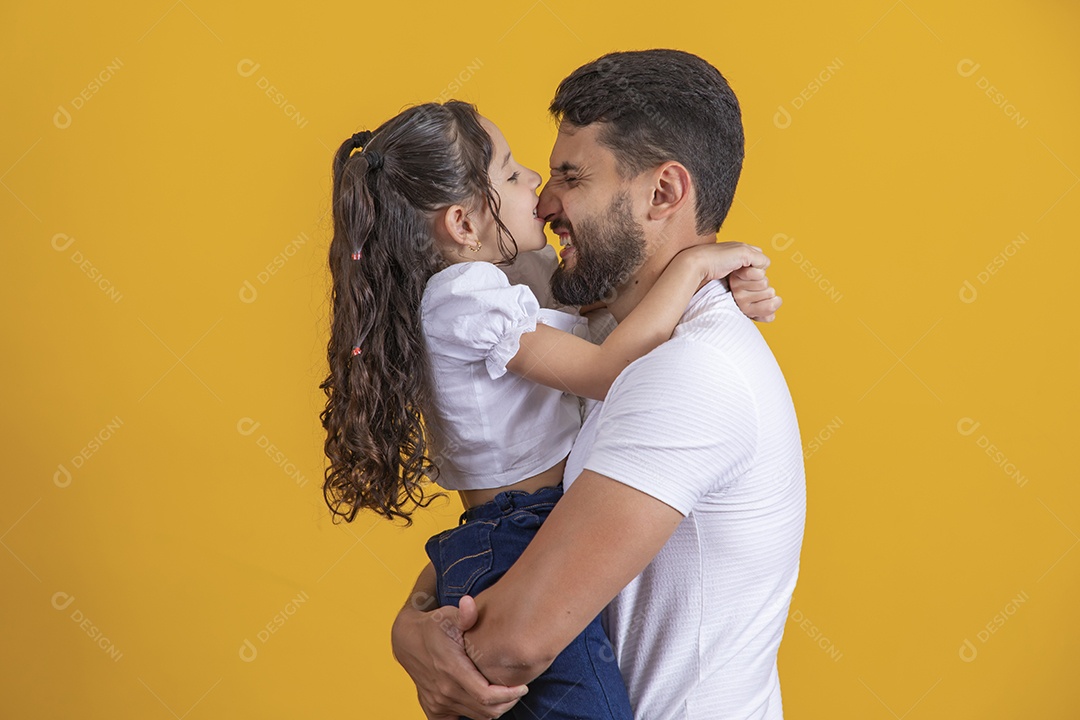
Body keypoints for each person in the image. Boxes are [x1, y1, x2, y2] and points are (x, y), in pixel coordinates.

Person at [318, 99, 783, 719]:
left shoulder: (693, 369)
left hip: (512, 530)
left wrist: (711, 280)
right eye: (517, 175)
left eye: (570, 176)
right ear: (461, 222)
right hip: (514, 529)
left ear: (664, 189)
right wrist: (699, 265)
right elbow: (603, 363)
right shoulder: (470, 294)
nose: (538, 192)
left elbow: (591, 321)